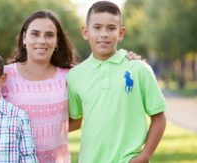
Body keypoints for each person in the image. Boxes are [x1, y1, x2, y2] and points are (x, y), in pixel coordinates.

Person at [0, 10, 142, 163]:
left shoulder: (71, 76)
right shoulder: (4, 76)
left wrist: (129, 60)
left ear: (56, 42)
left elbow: (79, 117)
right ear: (24, 38)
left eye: (49, 35)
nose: (42, 41)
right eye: (35, 34)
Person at [67, 1, 166, 163]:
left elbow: (159, 117)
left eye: (111, 28)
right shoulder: (74, 76)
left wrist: (145, 155)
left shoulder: (139, 69)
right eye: (97, 27)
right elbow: (76, 121)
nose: (104, 34)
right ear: (85, 32)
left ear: (120, 33)